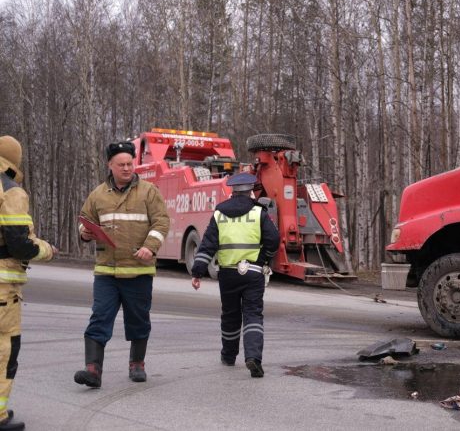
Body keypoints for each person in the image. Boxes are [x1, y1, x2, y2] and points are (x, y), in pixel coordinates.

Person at [74, 141, 169, 387]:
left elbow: (161, 223)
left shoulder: (149, 192)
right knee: (99, 318)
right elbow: (84, 222)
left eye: (130, 163)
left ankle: (137, 364)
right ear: (110, 165)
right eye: (122, 164)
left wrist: (150, 246)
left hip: (138, 271)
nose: (127, 168)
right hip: (106, 271)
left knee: (138, 319)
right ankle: (93, 370)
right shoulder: (97, 195)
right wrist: (85, 233)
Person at [191, 172, 279, 378]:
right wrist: (263, 258)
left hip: (228, 274)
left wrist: (198, 272)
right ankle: (253, 358)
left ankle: (229, 356)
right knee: (253, 314)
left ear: (232, 191)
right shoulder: (259, 212)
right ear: (250, 192)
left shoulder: (219, 213)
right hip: (253, 272)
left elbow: (207, 245)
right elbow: (273, 240)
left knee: (230, 314)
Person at [0, 136, 57, 431]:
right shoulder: (10, 191)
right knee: (5, 349)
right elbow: (19, 244)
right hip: (2, 289)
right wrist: (46, 249)